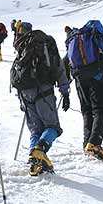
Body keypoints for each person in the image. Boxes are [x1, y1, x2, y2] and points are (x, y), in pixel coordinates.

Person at [11, 29, 70, 176]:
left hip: (24, 92)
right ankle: (38, 151)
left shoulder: (24, 46)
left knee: (36, 129)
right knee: (53, 127)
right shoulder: (48, 45)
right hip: (43, 90)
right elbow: (59, 69)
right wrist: (65, 92)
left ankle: (34, 162)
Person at [65, 20, 103, 161]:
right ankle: (95, 143)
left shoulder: (76, 39)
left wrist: (65, 83)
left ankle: (87, 143)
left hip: (79, 78)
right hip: (97, 76)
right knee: (100, 110)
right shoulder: (102, 39)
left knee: (87, 110)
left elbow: (65, 62)